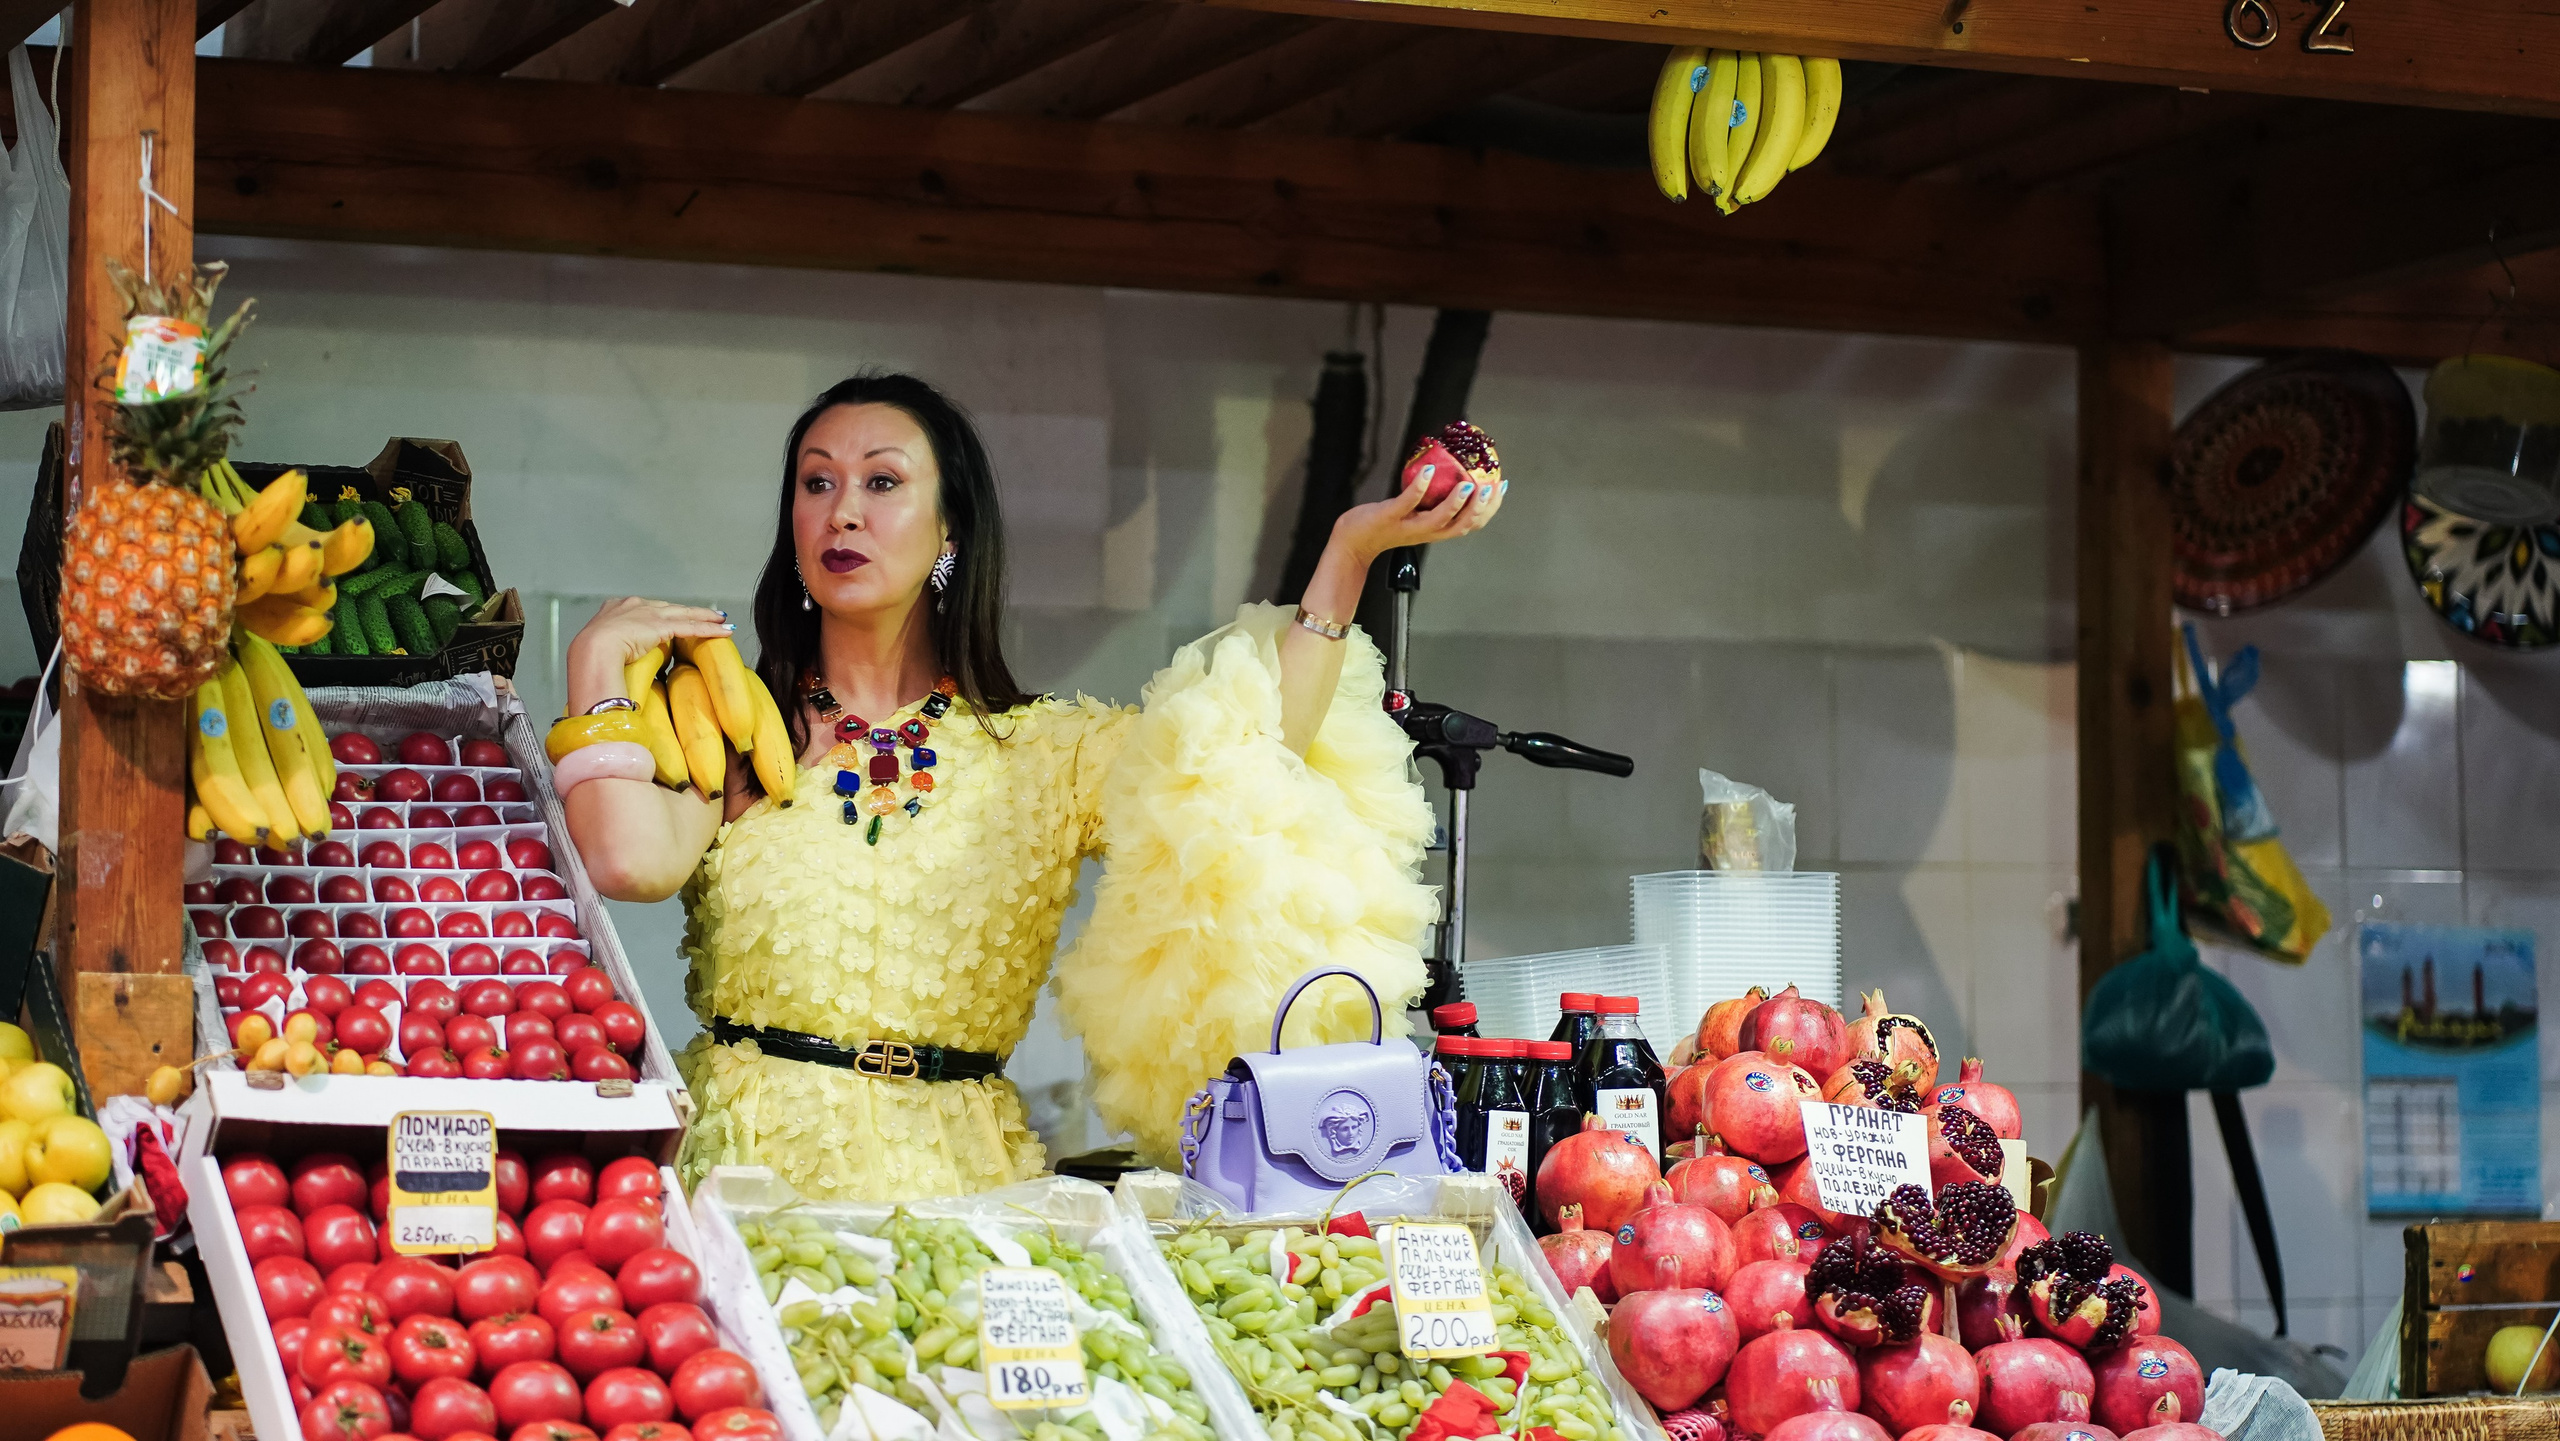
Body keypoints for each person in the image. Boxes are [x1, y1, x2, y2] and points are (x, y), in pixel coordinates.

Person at [560, 372, 1502, 1199]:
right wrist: (598, 662)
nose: (842, 509)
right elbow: (628, 862)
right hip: (746, 1179)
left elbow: (1247, 761)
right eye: (817, 482)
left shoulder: (1047, 751)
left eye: (882, 481)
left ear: (948, 533)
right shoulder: (728, 722)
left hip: (967, 1184)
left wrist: (1347, 555)